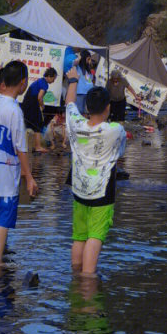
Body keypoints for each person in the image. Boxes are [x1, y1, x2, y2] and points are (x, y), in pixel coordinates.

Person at [0, 59, 37, 265]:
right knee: (2, 218)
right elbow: (20, 147)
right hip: (5, 173)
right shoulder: (14, 110)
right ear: (23, 83)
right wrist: (29, 177)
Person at [66, 87, 127, 276]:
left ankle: (76, 274)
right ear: (108, 107)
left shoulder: (76, 124)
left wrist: (73, 80)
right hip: (102, 191)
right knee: (95, 236)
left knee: (79, 237)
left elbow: (69, 103)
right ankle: (87, 278)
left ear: (87, 107)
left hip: (79, 190)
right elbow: (120, 152)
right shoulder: (116, 130)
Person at [22, 67, 56, 151]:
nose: (53, 81)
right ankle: (37, 146)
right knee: (38, 122)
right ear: (49, 76)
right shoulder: (44, 83)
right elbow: (40, 97)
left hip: (26, 102)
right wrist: (42, 106)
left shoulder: (40, 81)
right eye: (53, 79)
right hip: (31, 102)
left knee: (26, 122)